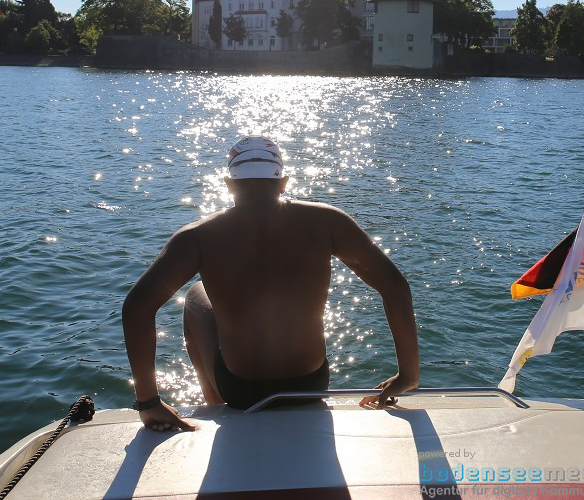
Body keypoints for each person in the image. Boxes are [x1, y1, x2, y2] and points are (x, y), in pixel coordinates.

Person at [123, 136, 420, 432]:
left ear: (229, 184)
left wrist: (148, 402)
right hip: (311, 383)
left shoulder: (197, 236)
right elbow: (394, 286)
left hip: (240, 390)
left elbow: (137, 307)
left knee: (195, 295)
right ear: (283, 182)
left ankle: (216, 405)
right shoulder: (329, 221)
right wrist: (408, 375)